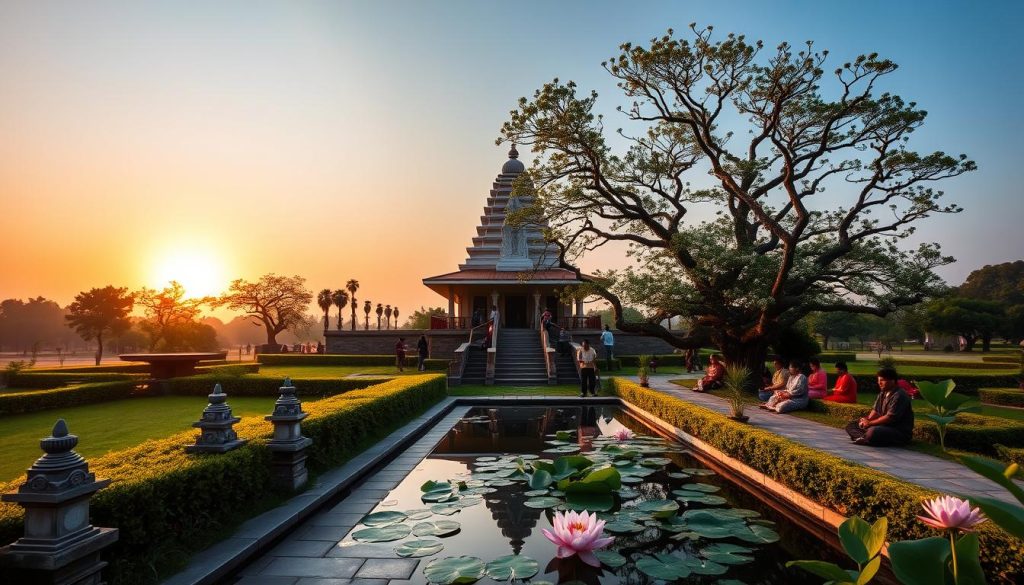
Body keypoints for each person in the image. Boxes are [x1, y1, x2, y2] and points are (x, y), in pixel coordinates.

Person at [845, 368, 914, 447]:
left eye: (882, 380)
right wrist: (867, 421)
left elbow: (889, 418)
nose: (879, 383)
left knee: (874, 431)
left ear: (892, 381)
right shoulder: (883, 393)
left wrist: (870, 423)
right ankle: (866, 438)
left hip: (897, 430)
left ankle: (866, 438)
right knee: (852, 425)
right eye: (878, 380)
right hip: (883, 427)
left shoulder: (899, 395)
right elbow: (876, 410)